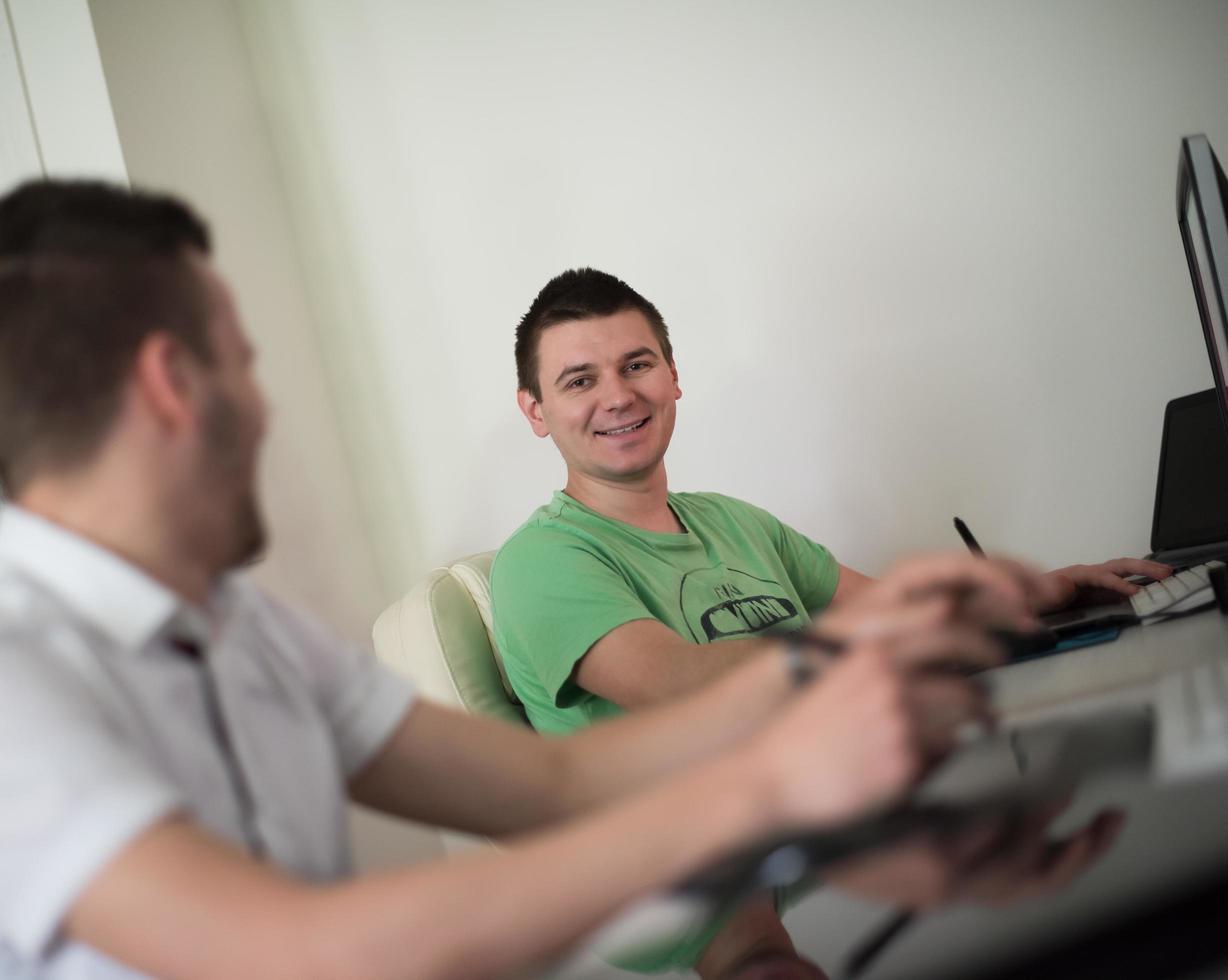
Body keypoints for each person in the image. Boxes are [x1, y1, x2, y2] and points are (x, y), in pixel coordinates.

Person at [0, 181, 1113, 980]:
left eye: (634, 364)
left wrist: (842, 795)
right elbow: (307, 953)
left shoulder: (247, 630)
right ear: (169, 383)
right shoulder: (16, 678)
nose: (265, 403)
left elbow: (555, 790)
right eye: (244, 362)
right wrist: (782, 788)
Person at [490, 267, 1159, 973]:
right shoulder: (542, 559)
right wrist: (874, 644)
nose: (618, 395)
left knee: (1109, 806)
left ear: (673, 376)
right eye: (579, 380)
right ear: (535, 412)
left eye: (636, 364)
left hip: (830, 809)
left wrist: (1041, 592)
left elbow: (884, 609)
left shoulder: (731, 520)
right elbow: (679, 683)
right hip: (703, 881)